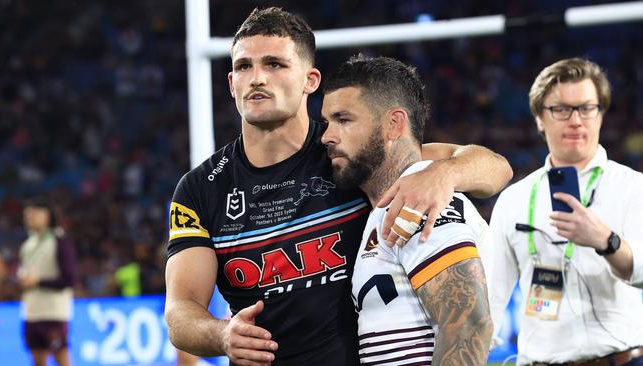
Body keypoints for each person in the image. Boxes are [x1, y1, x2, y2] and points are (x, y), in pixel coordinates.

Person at [165, 7, 511, 365]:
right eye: (244, 67)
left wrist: (445, 174)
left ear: (310, 80)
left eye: (275, 64)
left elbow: (496, 169)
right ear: (231, 83)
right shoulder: (200, 189)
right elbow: (180, 311)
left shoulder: (348, 154)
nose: (257, 78)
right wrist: (222, 335)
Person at [321, 54, 493, 365]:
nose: (327, 136)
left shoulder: (421, 200)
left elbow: (468, 325)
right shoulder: (389, 205)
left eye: (343, 120)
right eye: (327, 123)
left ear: (393, 124)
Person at [487, 58, 643, 365]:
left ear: (601, 114)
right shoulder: (513, 199)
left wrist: (606, 241)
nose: (575, 120)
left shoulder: (633, 187)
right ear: (539, 119)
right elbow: (491, 298)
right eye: (560, 109)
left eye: (586, 108)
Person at [18, 198, 77, 366]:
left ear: (47, 214)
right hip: (30, 312)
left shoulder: (59, 240)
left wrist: (38, 282)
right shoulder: (28, 244)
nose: (29, 217)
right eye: (27, 214)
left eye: (34, 212)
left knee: (61, 358)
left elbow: (70, 278)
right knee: (37, 361)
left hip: (53, 312)